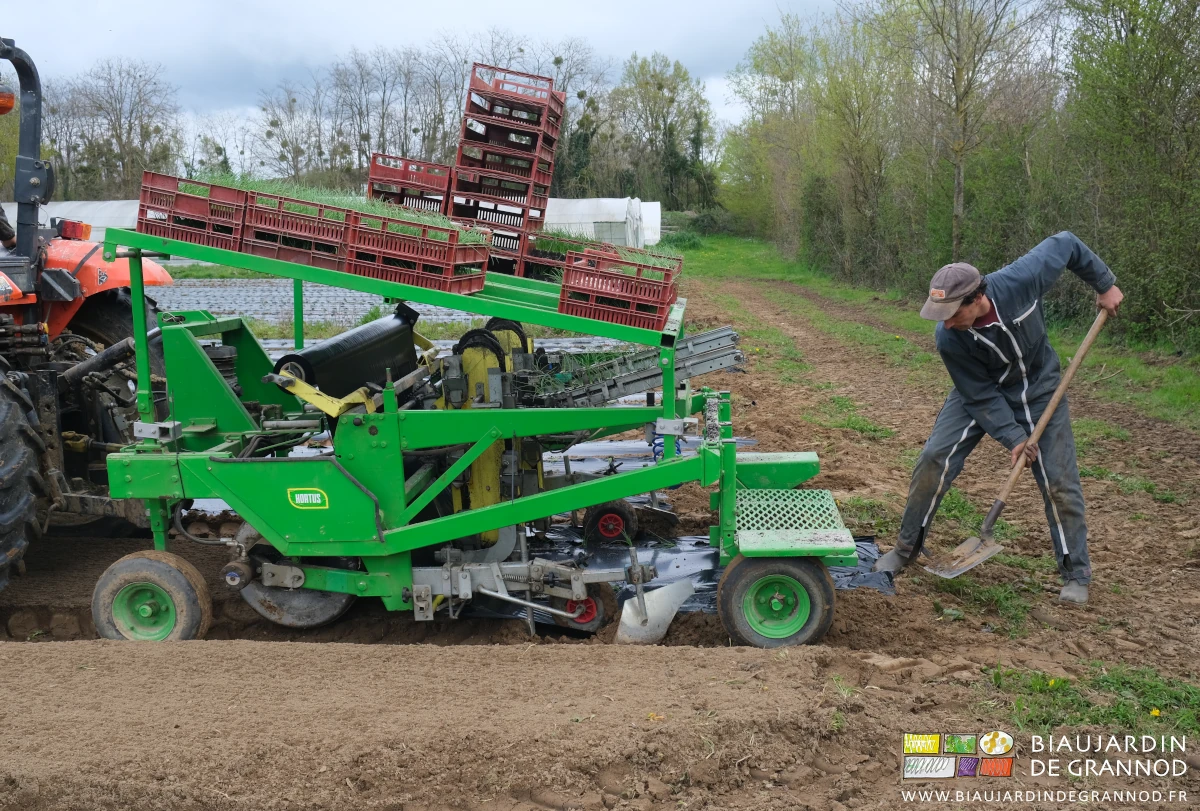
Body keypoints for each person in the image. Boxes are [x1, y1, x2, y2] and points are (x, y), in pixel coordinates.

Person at [874, 232, 1124, 605]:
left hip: (1040, 387)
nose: (946, 323)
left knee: (1060, 481)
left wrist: (1105, 285)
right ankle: (906, 548)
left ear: (977, 298)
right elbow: (979, 395)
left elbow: (1067, 243)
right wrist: (1014, 437)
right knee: (934, 457)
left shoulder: (1021, 280)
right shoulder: (949, 339)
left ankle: (1076, 573)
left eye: (953, 313)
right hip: (981, 390)